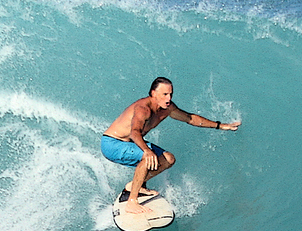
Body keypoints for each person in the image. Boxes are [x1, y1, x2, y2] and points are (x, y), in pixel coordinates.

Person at [101, 77, 239, 215]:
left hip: (129, 143)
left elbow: (190, 118)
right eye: (165, 94)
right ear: (153, 93)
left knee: (168, 158)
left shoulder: (167, 108)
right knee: (147, 155)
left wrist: (221, 126)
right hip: (112, 144)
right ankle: (132, 201)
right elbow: (134, 133)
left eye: (170, 94)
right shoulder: (143, 109)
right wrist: (147, 151)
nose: (169, 98)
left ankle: (134, 186)